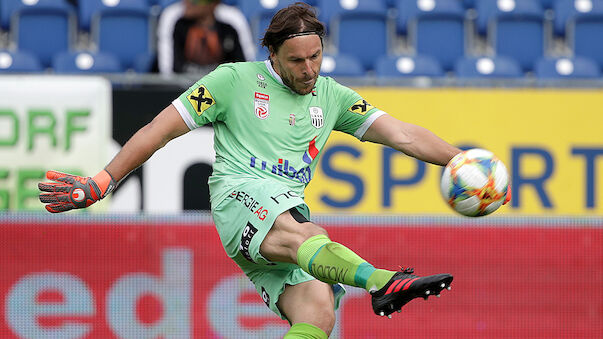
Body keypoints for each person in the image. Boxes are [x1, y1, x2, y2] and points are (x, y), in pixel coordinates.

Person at [38, 3, 509, 338]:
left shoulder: (334, 96)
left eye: (316, 57)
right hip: (238, 196)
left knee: (318, 311)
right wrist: (102, 181)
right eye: (297, 61)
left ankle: (365, 285)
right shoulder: (231, 81)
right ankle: (384, 282)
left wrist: (461, 162)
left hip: (287, 207)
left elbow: (403, 134)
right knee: (307, 235)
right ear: (273, 57)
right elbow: (156, 131)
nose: (309, 70)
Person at [158, 0, 252, 74]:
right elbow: (168, 72)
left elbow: (244, 68)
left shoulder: (231, 22)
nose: (187, 2)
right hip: (182, 91)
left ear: (214, 4)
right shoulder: (175, 20)